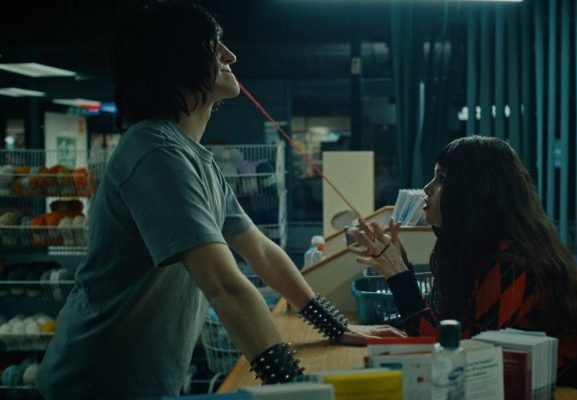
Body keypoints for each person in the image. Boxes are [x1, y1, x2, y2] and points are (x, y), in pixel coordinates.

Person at [36, 2, 402, 398]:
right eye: (214, 46)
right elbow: (223, 284)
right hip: (95, 381)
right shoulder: (154, 153)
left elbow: (261, 252)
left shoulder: (191, 157)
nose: (230, 56)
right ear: (175, 59)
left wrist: (336, 327)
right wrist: (294, 388)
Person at [349, 136, 577, 400]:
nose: (427, 189)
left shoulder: (512, 260)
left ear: (474, 193)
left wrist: (399, 276)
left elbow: (463, 354)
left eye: (442, 179)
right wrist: (400, 272)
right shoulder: (483, 251)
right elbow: (453, 330)